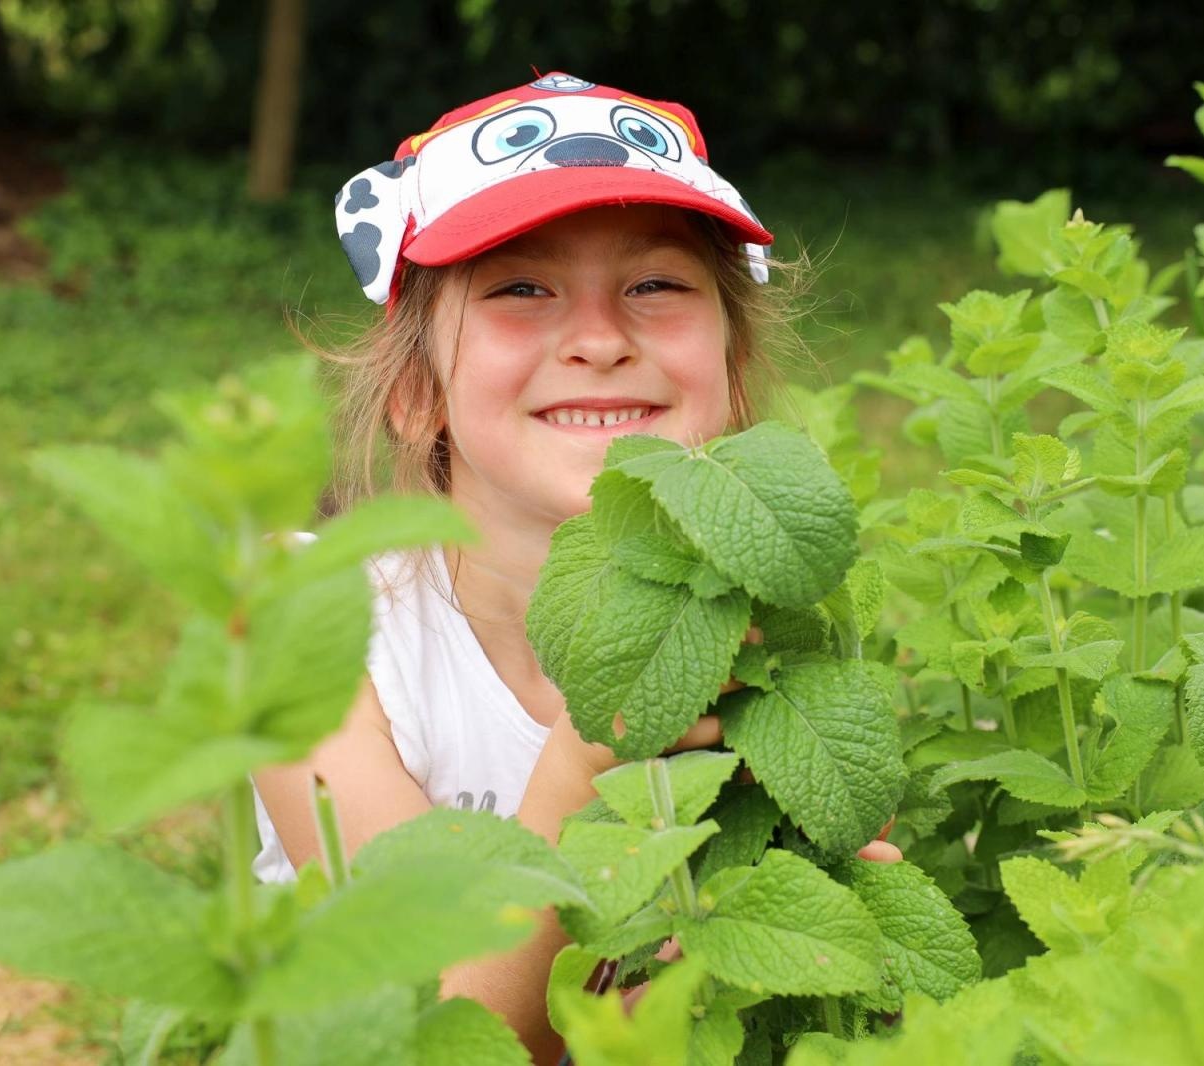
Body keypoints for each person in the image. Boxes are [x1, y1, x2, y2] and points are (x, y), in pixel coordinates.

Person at [250, 72, 899, 1064]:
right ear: (418, 388)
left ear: (727, 373)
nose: (599, 340)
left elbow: (817, 963)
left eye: (655, 285)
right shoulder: (312, 631)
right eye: (520, 287)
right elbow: (421, 1029)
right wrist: (578, 779)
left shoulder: (772, 631)